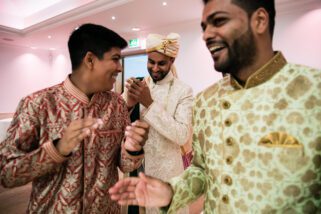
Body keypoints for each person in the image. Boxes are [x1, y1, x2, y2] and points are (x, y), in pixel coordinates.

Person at [109, 0, 321, 213]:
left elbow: (181, 136)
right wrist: (171, 192)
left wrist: (149, 104)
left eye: (219, 21)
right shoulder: (206, 101)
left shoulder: (313, 92)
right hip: (145, 170)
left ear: (259, 20)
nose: (206, 35)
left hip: (168, 166)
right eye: (204, 27)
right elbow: (200, 170)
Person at [0, 23, 149, 213]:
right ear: (90, 60)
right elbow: (6, 174)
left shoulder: (116, 104)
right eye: (115, 59)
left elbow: (124, 164)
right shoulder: (38, 104)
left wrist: (132, 149)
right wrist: (57, 149)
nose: (120, 68)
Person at [122, 33, 194, 213]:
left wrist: (149, 103)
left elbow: (182, 135)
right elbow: (118, 121)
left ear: (171, 61)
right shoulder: (139, 85)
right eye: (150, 62)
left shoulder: (183, 91)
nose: (154, 68)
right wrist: (129, 103)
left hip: (169, 171)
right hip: (138, 167)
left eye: (161, 63)